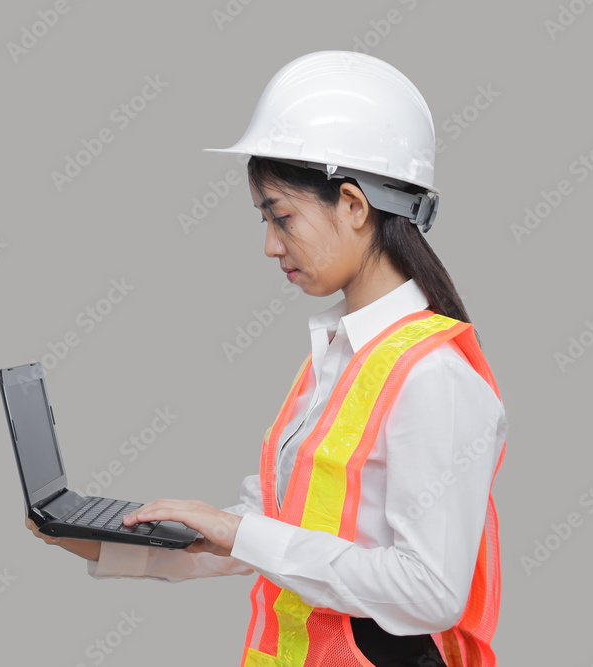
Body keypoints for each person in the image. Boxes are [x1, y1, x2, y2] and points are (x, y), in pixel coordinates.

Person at [25, 51, 508, 667]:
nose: (269, 245)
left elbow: (432, 591)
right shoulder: (340, 356)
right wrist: (105, 545)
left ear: (355, 206)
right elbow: (274, 531)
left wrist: (240, 532)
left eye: (281, 217)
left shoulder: (433, 378)